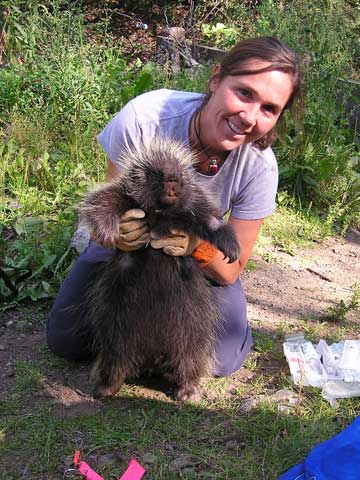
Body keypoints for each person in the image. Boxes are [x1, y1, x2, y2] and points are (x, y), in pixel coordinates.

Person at [47, 36, 302, 377]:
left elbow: (231, 265)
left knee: (222, 358)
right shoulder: (144, 119)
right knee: (66, 341)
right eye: (244, 93)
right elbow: (106, 213)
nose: (249, 116)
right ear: (215, 79)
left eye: (269, 108)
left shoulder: (260, 166)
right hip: (129, 252)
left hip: (192, 258)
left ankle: (163, 337)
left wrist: (198, 248)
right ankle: (137, 340)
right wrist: (119, 234)